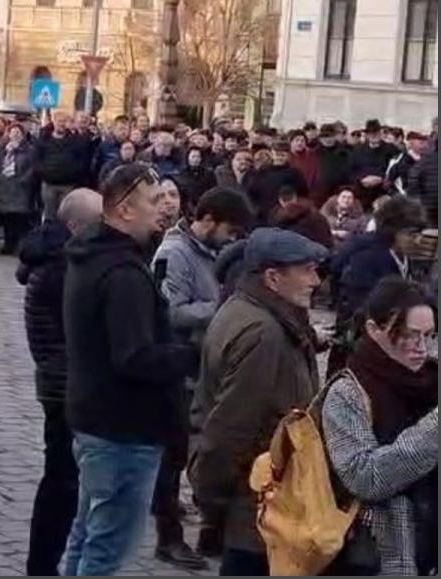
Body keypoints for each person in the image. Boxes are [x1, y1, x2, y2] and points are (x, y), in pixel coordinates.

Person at [61, 164, 198, 576]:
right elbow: (134, 357)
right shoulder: (122, 273)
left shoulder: (95, 255)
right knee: (105, 548)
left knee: (87, 536)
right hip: (123, 430)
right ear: (123, 210)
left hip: (97, 420)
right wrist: (192, 356)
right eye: (155, 201)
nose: (166, 209)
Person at [190, 227, 327, 576]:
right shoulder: (264, 334)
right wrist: (213, 500)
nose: (316, 280)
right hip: (256, 510)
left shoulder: (255, 312)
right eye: (307, 270)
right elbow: (230, 429)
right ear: (273, 277)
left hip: (260, 507)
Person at [148, 187, 254, 569]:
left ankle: (205, 525)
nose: (231, 239)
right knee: (173, 454)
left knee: (192, 449)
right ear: (207, 220)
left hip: (205, 365)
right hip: (180, 366)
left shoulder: (208, 251)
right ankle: (168, 536)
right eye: (229, 230)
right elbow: (169, 311)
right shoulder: (174, 252)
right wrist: (223, 310)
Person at [321, 278, 438, 577]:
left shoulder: (431, 381)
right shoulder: (348, 392)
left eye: (429, 335)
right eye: (409, 335)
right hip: (374, 554)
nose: (421, 348)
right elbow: (365, 477)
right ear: (374, 330)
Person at [19, 188, 103, 577]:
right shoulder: (60, 268)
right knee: (62, 481)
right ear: (76, 225)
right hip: (63, 384)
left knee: (65, 479)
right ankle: (43, 564)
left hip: (60, 380)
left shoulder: (59, 261)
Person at [329, 195, 427, 376]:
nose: (418, 241)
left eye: (420, 234)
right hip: (360, 344)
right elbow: (357, 304)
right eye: (412, 234)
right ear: (392, 231)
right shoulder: (367, 258)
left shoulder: (403, 256)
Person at [34, 112, 94, 221]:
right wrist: (43, 173)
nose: (61, 124)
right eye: (59, 121)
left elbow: (81, 159)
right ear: (54, 122)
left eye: (64, 122)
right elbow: (37, 158)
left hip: (68, 184)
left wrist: (73, 173)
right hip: (49, 184)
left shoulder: (75, 140)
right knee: (49, 216)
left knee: (65, 216)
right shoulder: (44, 139)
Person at [0, 124, 33, 255]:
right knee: (6, 217)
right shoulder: (2, 148)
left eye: (18, 132)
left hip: (20, 186)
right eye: (13, 132)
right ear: (8, 134)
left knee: (19, 217)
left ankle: (17, 244)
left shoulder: (28, 149)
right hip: (5, 185)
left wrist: (24, 179)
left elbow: (32, 167)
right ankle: (7, 243)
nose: (15, 134)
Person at [178, 146, 217, 210]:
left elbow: (213, 191)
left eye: (198, 157)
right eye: (193, 157)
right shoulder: (182, 174)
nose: (196, 159)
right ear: (188, 158)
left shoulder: (209, 174)